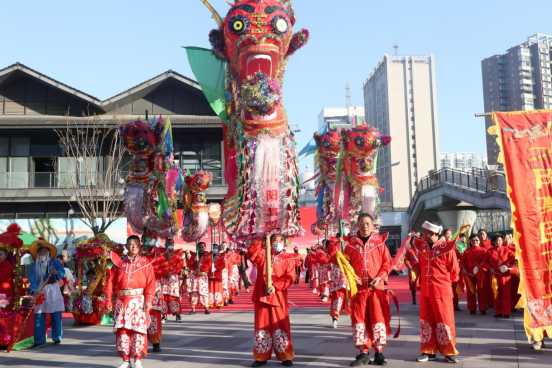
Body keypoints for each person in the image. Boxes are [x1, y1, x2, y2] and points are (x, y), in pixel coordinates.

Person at [329, 213, 392, 366]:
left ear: (373, 226)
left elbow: (387, 263)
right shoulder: (348, 243)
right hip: (358, 289)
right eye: (362, 223)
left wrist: (380, 276)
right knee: (359, 319)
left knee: (378, 318)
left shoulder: (379, 242)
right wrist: (336, 246)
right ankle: (363, 352)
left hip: (376, 288)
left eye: (367, 223)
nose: (365, 226)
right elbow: (337, 260)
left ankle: (379, 352)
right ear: (357, 226)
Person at [106, 235, 156, 368]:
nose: (133, 246)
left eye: (135, 244)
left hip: (139, 300)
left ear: (139, 246)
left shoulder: (146, 262)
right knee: (123, 331)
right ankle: (125, 360)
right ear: (126, 246)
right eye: (130, 244)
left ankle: (138, 360)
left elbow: (151, 283)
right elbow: (110, 282)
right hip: (121, 301)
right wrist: (109, 300)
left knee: (138, 330)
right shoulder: (118, 262)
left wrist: (149, 299)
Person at [413, 222, 459, 364]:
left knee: (445, 322)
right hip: (426, 292)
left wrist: (444, 283)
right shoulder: (423, 248)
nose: (421, 233)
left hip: (442, 292)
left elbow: (455, 272)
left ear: (432, 233)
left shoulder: (447, 249)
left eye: (424, 231)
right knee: (426, 322)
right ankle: (428, 351)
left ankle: (449, 352)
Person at [249, 234, 297, 367]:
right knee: (261, 327)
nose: (277, 242)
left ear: (285, 242)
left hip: (278, 297)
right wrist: (259, 240)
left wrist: (276, 286)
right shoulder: (263, 254)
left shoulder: (289, 258)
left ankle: (285, 355)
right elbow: (252, 256)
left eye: (280, 240)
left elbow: (290, 277)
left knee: (281, 326)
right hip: (262, 296)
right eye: (274, 240)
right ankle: (261, 357)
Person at [29, 240, 65, 348]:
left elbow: (61, 272)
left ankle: (57, 337)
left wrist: (57, 273)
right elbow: (33, 278)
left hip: (53, 288)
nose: (43, 253)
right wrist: (34, 289)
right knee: (38, 314)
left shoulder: (55, 262)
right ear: (38, 253)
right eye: (41, 251)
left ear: (49, 253)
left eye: (45, 251)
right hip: (41, 289)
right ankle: (39, 340)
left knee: (56, 314)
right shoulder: (34, 265)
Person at [313, 233, 350, 329]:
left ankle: (357, 318)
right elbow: (332, 256)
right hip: (338, 273)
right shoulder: (333, 244)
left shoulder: (352, 242)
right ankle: (335, 318)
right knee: (338, 295)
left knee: (353, 297)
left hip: (351, 273)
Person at [144, 242, 169, 352]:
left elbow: (165, 269)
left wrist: (151, 273)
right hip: (140, 287)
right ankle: (141, 342)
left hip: (155, 286)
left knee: (154, 314)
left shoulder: (159, 253)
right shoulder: (138, 253)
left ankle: (156, 341)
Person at [483, 234, 515, 319]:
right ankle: (498, 312)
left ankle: (506, 312)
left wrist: (511, 266)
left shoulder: (507, 249)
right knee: (496, 293)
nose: (499, 242)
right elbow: (485, 262)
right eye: (497, 240)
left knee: (506, 294)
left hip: (505, 275)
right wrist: (489, 269)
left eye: (500, 240)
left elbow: (514, 258)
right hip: (494, 275)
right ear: (493, 242)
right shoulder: (489, 251)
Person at [460, 234, 488, 315]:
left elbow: (487, 261)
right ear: (470, 242)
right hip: (469, 273)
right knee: (471, 291)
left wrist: (483, 265)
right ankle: (472, 308)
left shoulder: (484, 251)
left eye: (477, 240)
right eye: (473, 240)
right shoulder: (467, 251)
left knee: (482, 290)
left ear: (480, 241)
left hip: (481, 273)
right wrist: (463, 269)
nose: (475, 242)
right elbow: (462, 262)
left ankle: (483, 308)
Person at [186, 242, 213, 314]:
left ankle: (206, 308)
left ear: (205, 247)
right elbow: (189, 264)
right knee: (194, 292)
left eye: (202, 247)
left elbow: (209, 265)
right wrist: (193, 261)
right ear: (198, 248)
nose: (201, 248)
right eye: (200, 247)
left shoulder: (208, 256)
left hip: (203, 276)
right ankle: (193, 308)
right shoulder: (194, 255)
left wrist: (201, 270)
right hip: (194, 276)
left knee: (203, 292)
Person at [163, 238, 184, 323]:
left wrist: (173, 272)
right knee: (164, 296)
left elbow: (180, 264)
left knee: (174, 296)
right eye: (168, 243)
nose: (170, 245)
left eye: (171, 243)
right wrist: (164, 271)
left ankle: (178, 315)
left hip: (173, 277)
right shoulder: (162, 253)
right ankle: (164, 315)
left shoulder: (177, 254)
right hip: (164, 277)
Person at [505, 233, 520, 313]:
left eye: (509, 238)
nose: (507, 240)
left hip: (514, 272)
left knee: (515, 289)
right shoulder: (501, 248)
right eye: (506, 238)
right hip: (504, 272)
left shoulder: (516, 248)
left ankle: (514, 306)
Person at [404, 236, 421, 305]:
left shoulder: (422, 249)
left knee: (422, 283)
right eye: (413, 240)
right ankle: (414, 299)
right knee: (413, 284)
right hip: (413, 270)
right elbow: (406, 259)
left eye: (416, 240)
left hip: (421, 269)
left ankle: (423, 299)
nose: (415, 242)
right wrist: (409, 265)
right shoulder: (409, 250)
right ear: (411, 241)